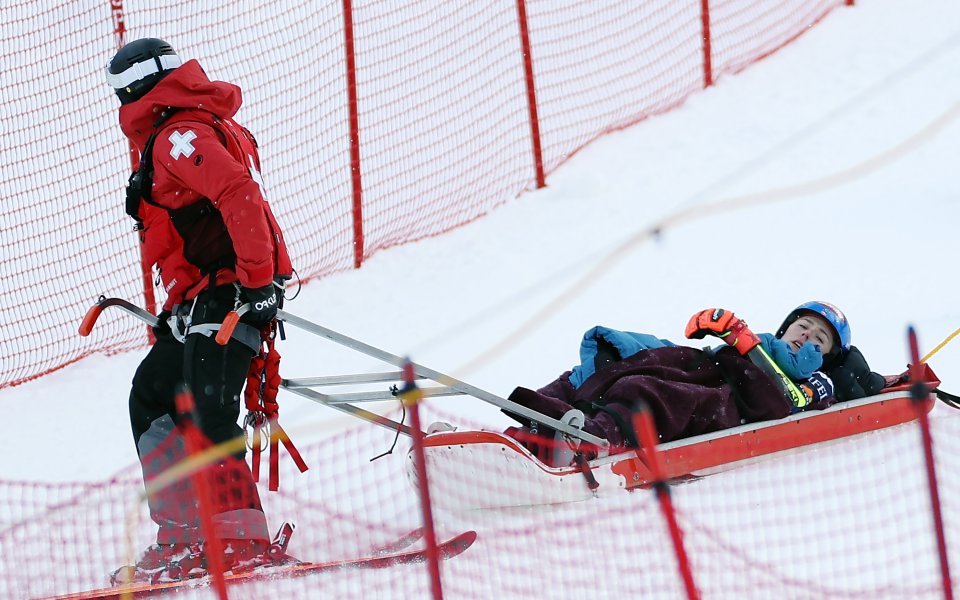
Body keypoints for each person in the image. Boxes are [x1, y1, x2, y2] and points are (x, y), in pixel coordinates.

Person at [105, 38, 293, 582]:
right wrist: (178, 307)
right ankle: (187, 535)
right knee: (155, 391)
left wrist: (257, 283)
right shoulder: (188, 128)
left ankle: (240, 541)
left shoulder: (178, 135)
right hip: (205, 295)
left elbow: (238, 194)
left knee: (207, 406)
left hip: (232, 291)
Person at [503, 301, 887, 464]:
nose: (807, 336)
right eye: (803, 326)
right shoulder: (764, 344)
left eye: (819, 339)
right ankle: (523, 432)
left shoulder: (820, 381)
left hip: (725, 396)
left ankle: (590, 438)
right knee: (611, 362)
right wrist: (742, 343)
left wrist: (742, 340)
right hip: (703, 365)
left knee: (646, 392)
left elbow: (786, 401)